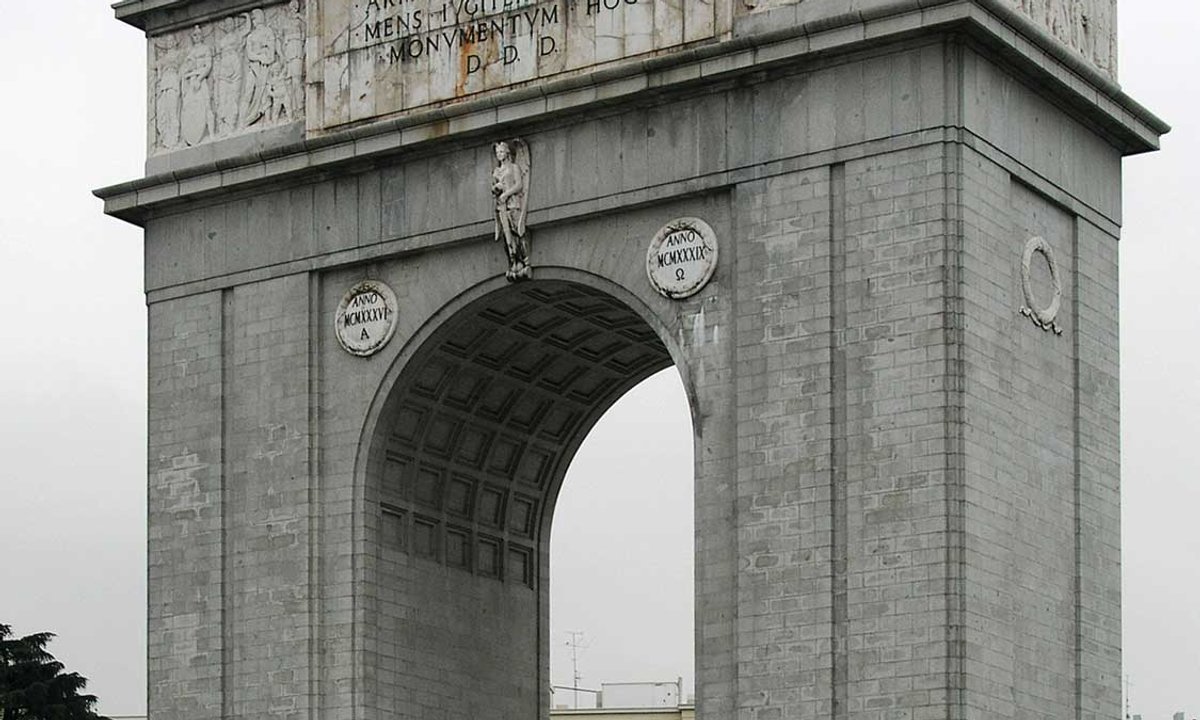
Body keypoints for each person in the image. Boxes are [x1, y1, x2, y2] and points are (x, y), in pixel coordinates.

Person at [492, 141, 531, 280]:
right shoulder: (496, 171)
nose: (499, 155)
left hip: (513, 204)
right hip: (501, 206)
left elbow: (519, 185)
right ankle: (513, 260)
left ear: (507, 153)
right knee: (506, 236)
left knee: (516, 231)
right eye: (497, 153)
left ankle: (523, 260)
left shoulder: (514, 167)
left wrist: (506, 193)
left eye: (501, 152)